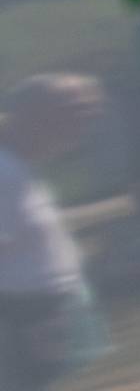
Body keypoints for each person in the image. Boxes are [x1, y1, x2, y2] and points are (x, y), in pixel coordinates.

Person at [0, 75, 106, 388]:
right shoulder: (4, 172)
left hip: (48, 308)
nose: (83, 127)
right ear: (34, 118)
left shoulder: (18, 165)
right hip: (25, 315)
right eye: (71, 115)